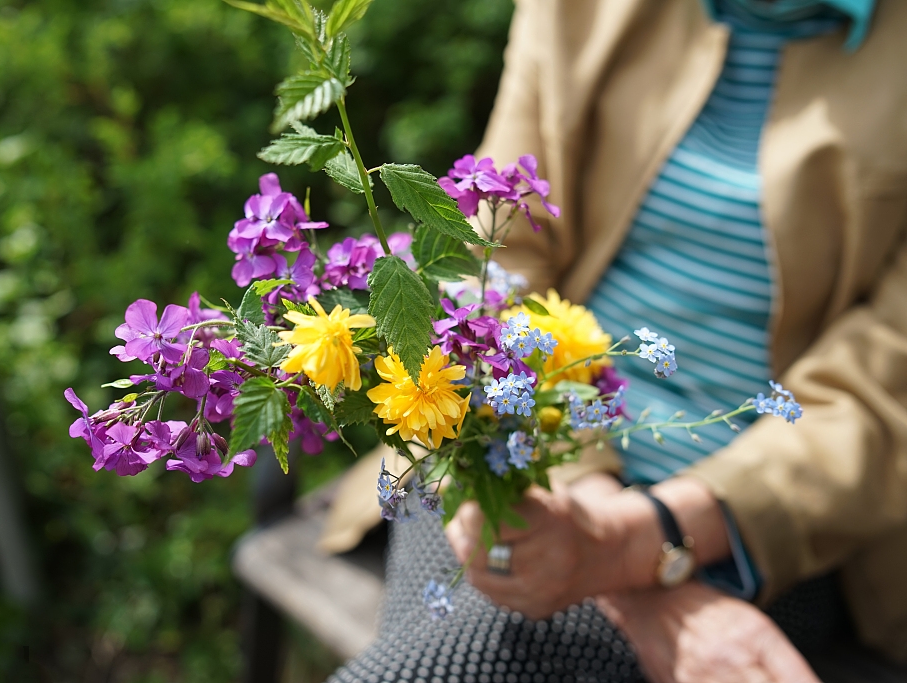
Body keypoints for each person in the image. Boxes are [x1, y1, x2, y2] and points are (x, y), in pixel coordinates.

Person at [324, 1, 907, 681]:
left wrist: (628, 541)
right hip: (513, 447)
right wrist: (602, 532)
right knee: (463, 652)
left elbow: (881, 394)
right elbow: (494, 257)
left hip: (771, 523)